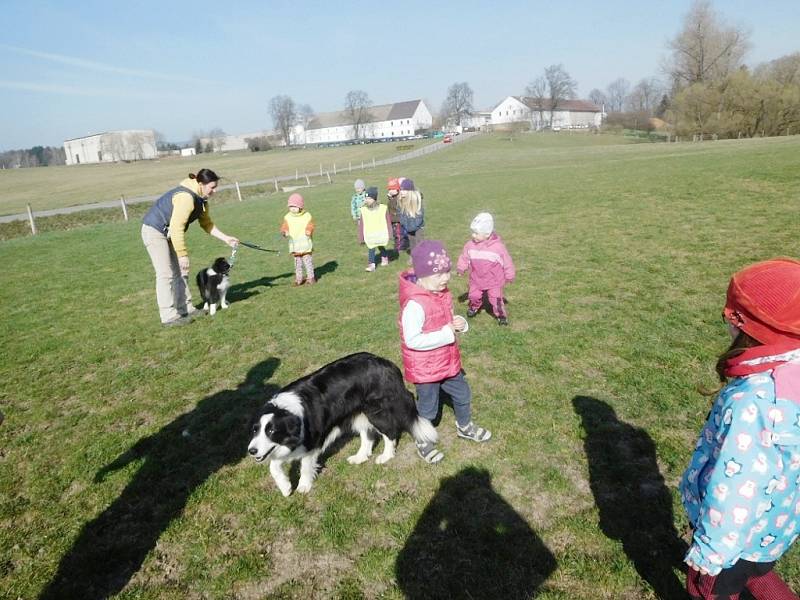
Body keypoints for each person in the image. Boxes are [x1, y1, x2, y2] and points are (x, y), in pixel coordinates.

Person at [680, 258, 800, 600]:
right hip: (776, 524)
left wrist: (710, 551)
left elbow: (737, 486)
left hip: (734, 535)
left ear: (746, 324)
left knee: (708, 591)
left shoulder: (753, 402)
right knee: (758, 573)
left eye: (731, 313)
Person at [398, 240, 492, 464]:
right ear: (421, 275)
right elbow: (412, 341)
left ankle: (465, 426)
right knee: (428, 409)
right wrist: (446, 333)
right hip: (426, 369)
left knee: (463, 394)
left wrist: (460, 324)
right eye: (439, 274)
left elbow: (447, 322)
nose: (446, 278)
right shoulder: (414, 305)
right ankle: (423, 440)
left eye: (447, 272)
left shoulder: (442, 293)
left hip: (448, 362)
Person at [141, 169, 238, 326]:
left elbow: (207, 224)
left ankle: (186, 308)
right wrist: (182, 254)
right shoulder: (186, 198)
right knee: (165, 273)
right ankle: (168, 316)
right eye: (212, 187)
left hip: (169, 232)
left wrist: (226, 238)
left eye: (215, 187)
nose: (214, 191)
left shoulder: (201, 200)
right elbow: (176, 227)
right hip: (154, 231)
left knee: (180, 271)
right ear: (201, 184)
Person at [456, 212, 515, 326]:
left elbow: (506, 261)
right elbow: (464, 257)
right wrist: (461, 268)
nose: (473, 235)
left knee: (496, 299)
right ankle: (474, 307)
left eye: (476, 233)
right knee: (473, 296)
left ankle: (501, 316)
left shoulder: (498, 248)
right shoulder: (470, 245)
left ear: (487, 234)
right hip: (476, 280)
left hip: (494, 281)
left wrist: (509, 275)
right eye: (472, 232)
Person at [280, 193, 315, 286]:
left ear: (300, 207)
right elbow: (284, 226)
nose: (292, 208)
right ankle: (299, 279)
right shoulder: (288, 217)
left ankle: (310, 277)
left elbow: (311, 225)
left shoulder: (307, 215)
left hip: (305, 244)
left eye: (295, 206)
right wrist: (284, 231)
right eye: (291, 206)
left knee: (308, 262)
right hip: (295, 245)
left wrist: (309, 230)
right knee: (297, 264)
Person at [359, 187, 392, 272]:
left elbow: (388, 221)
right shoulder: (364, 210)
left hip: (380, 234)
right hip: (370, 235)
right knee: (371, 248)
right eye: (366, 198)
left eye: (369, 198)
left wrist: (390, 234)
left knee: (381, 246)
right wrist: (361, 237)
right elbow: (361, 225)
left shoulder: (383, 208)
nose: (367, 200)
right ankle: (371, 264)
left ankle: (384, 257)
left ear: (374, 198)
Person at [397, 178, 425, 253]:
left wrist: (413, 227)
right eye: (401, 190)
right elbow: (400, 215)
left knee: (419, 242)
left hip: (418, 227)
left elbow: (419, 216)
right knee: (412, 243)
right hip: (408, 227)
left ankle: (422, 257)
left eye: (404, 190)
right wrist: (405, 225)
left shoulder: (417, 201)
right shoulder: (401, 201)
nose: (401, 192)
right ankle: (414, 257)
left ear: (410, 191)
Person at [386, 177, 407, 251]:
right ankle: (402, 244)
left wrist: (391, 199)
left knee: (398, 234)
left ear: (397, 189)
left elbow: (395, 207)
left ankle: (398, 248)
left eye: (392, 189)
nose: (390, 191)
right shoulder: (393, 197)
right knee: (396, 233)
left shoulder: (398, 198)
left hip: (397, 220)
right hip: (393, 219)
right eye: (389, 189)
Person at [351, 179, 367, 243]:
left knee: (367, 226)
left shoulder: (366, 195)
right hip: (359, 216)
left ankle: (367, 238)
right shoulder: (354, 197)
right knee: (360, 227)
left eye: (359, 188)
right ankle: (361, 239)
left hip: (366, 215)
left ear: (363, 188)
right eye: (356, 188)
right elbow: (353, 207)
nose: (358, 190)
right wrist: (354, 215)